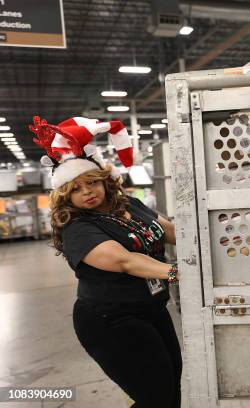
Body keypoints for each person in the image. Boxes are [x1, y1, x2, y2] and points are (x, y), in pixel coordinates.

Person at [29, 116, 182, 408]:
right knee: (157, 397)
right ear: (65, 194)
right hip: (110, 320)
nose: (86, 192)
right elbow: (125, 261)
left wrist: (222, 238)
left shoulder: (129, 205)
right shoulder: (76, 227)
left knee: (171, 385)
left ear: (104, 181)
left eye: (91, 183)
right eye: (76, 189)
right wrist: (179, 272)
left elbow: (171, 230)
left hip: (152, 307)